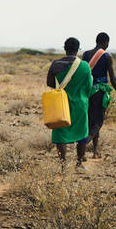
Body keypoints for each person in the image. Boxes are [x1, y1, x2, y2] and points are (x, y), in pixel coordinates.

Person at [47, 37, 92, 171]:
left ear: (65, 48)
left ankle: (63, 166)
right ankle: (79, 163)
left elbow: (49, 83)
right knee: (82, 132)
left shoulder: (56, 64)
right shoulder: (84, 66)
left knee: (61, 132)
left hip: (60, 103)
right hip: (80, 104)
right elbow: (89, 86)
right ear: (78, 49)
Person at [82, 32, 116, 158]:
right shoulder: (107, 56)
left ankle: (94, 152)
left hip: (87, 92)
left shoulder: (86, 54)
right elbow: (112, 78)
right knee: (98, 122)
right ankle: (83, 147)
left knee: (90, 121)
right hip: (100, 93)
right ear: (106, 42)